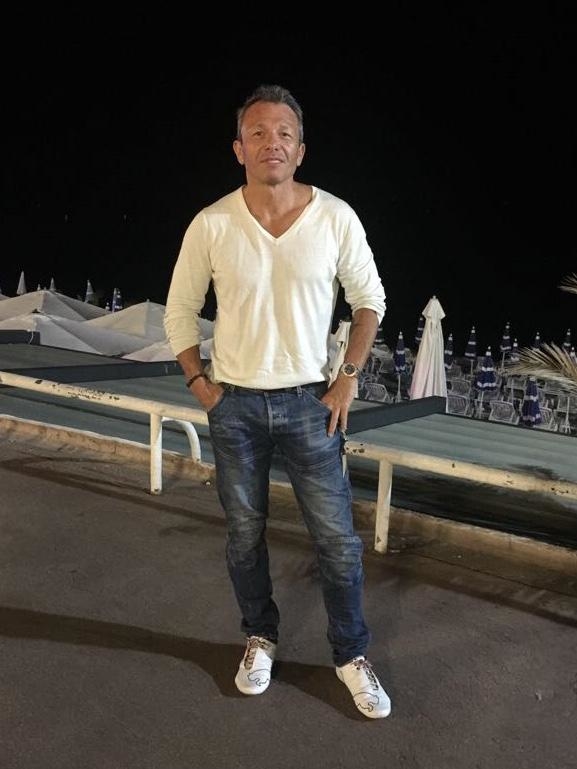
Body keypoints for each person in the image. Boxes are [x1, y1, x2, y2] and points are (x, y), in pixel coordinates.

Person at [164, 84, 390, 719]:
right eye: (258, 133)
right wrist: (201, 385)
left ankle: (350, 654)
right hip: (234, 407)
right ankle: (259, 637)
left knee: (337, 541)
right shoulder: (212, 223)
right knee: (244, 536)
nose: (273, 143)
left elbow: (369, 300)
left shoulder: (335, 217)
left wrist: (347, 376)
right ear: (239, 148)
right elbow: (180, 312)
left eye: (285, 133)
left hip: (312, 405)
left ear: (301, 149)